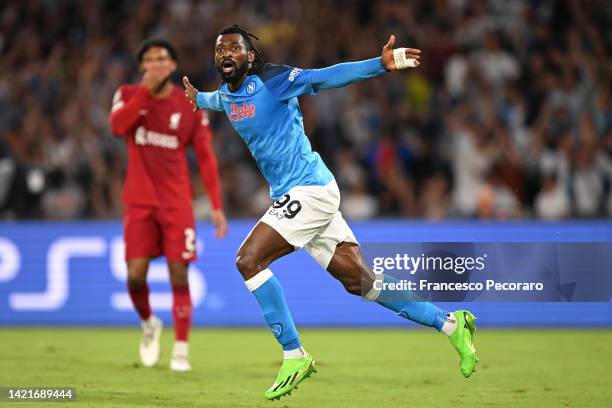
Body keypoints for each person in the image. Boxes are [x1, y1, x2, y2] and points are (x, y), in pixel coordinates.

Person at [183, 25, 477, 399]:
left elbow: (325, 77)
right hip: (301, 195)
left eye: (235, 47)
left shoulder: (273, 80)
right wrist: (197, 98)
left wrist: (379, 65)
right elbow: (216, 101)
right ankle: (452, 325)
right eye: (220, 48)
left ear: (250, 55)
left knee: (248, 260)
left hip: (310, 190)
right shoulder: (227, 94)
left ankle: (294, 354)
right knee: (362, 283)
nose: (226, 52)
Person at [109, 38, 227, 372]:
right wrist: (144, 93)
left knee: (179, 272)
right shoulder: (128, 94)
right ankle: (149, 324)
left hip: (176, 203)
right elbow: (118, 127)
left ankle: (181, 347)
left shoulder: (187, 105)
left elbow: (205, 156)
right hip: (139, 202)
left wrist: (216, 205)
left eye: (162, 58)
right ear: (142, 66)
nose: (155, 64)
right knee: (135, 277)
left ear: (173, 65)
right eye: (148, 60)